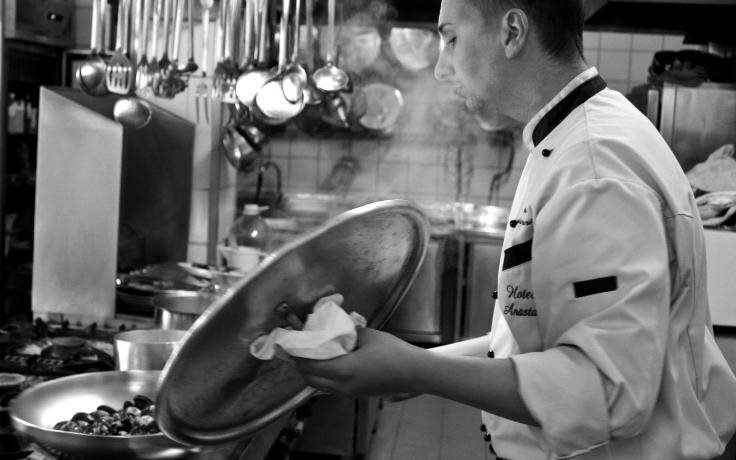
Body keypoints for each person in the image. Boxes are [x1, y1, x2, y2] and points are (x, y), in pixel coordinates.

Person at [292, 0, 736, 458]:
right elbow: (539, 340)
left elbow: (608, 391)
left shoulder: (594, 167)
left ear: (512, 32)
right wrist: (415, 365)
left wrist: (416, 371)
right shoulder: (569, 138)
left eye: (451, 38)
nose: (441, 69)